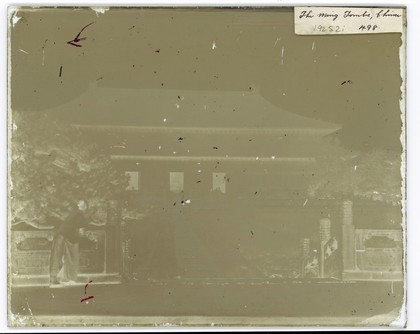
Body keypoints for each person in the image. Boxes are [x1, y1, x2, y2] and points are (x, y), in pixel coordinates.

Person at [49, 199, 89, 286]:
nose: (80, 205)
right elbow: (81, 231)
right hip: (65, 236)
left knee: (58, 256)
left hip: (63, 235)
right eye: (81, 204)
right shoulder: (79, 214)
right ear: (84, 207)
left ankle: (55, 278)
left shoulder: (73, 212)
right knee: (61, 256)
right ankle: (58, 278)